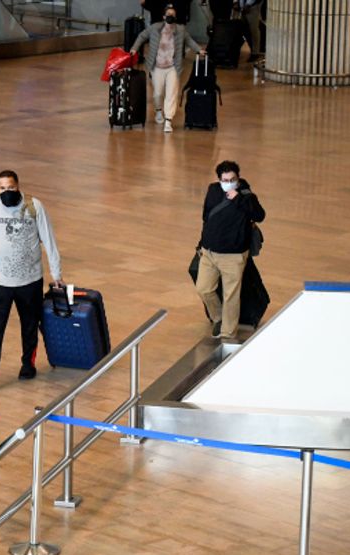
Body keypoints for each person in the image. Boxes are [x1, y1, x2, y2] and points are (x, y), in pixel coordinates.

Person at [0, 169, 63, 390]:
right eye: (2, 188)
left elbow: (49, 241)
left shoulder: (34, 207)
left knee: (29, 325)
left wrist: (56, 273)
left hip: (30, 281)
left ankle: (28, 364)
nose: (7, 192)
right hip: (0, 282)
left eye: (10, 188)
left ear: (18, 186)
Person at [195, 160, 265, 340]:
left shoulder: (246, 196)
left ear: (238, 178)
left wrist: (239, 199)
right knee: (204, 288)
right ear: (219, 180)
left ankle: (227, 334)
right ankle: (218, 318)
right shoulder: (213, 190)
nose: (229, 183)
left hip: (233, 256)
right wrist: (202, 244)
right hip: (209, 252)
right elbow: (207, 217)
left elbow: (259, 215)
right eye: (225, 180)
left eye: (232, 179)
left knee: (231, 296)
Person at [130, 4, 205, 133]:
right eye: (168, 14)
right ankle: (158, 111)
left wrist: (199, 50)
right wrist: (134, 48)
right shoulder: (155, 28)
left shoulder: (180, 30)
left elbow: (189, 41)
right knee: (158, 93)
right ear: (164, 16)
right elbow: (142, 36)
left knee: (171, 94)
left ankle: (168, 120)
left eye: (173, 15)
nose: (171, 17)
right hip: (157, 66)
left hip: (172, 67)